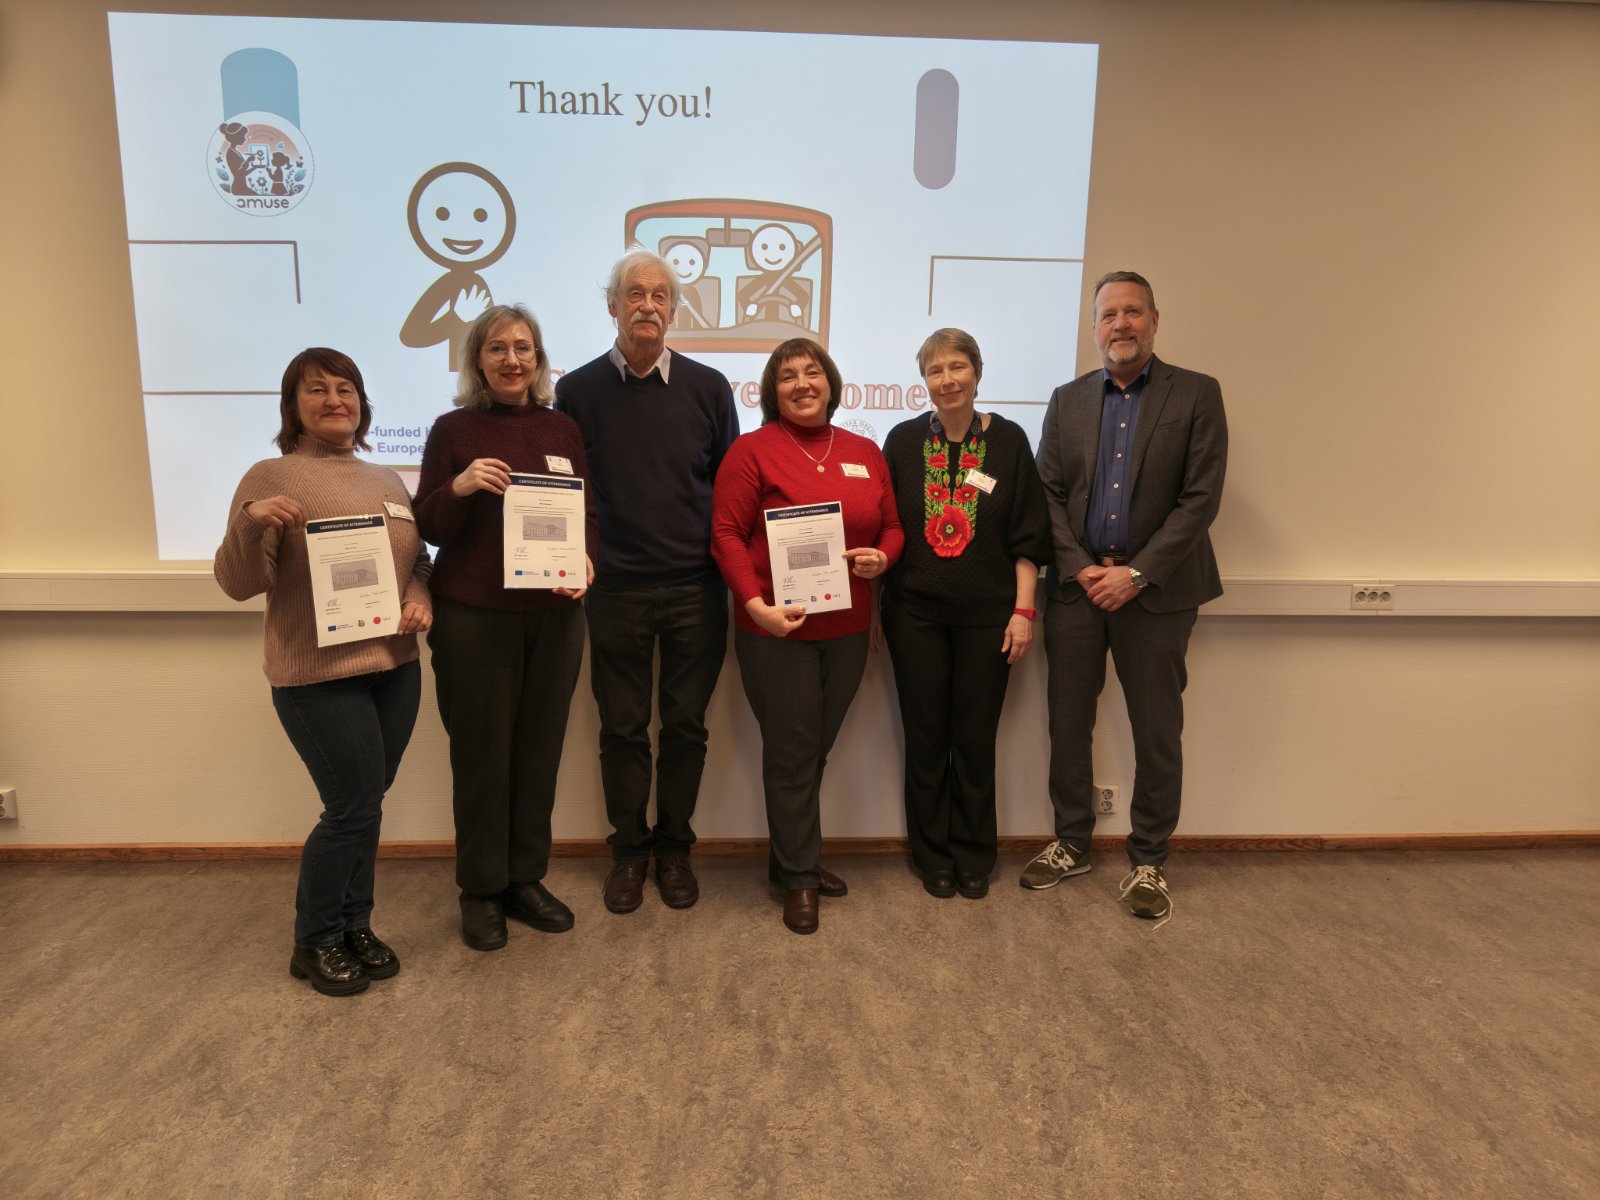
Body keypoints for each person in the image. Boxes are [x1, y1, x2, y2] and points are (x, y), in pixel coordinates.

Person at [214, 348, 432, 996]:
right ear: (293, 406)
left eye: (346, 389)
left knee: (365, 805)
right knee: (350, 807)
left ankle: (353, 926)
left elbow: (417, 561)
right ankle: (313, 940)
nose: (335, 400)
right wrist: (250, 525)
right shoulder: (270, 476)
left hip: (394, 667)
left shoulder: (386, 478)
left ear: (362, 403)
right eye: (317, 389)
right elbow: (237, 583)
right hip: (317, 677)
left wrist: (420, 596)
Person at [1026, 271, 1228, 924]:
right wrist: (1081, 568)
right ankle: (1071, 841)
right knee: (1067, 723)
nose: (1121, 323)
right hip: (1078, 591)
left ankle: (1149, 858)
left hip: (1158, 594)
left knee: (1157, 729)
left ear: (1154, 320)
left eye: (1133, 311)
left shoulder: (1196, 393)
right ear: (1093, 328)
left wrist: (1136, 574)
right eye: (1109, 314)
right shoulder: (1067, 400)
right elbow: (1046, 493)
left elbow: (1201, 498)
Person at [555, 250, 740, 914]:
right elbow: (567, 493)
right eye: (635, 294)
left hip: (696, 590)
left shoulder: (709, 387)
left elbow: (730, 490)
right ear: (612, 306)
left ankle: (675, 850)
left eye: (661, 296)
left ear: (674, 310)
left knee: (686, 728)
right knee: (624, 729)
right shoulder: (576, 392)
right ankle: (629, 853)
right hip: (615, 591)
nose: (648, 306)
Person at [413, 304, 596, 952]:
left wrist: (586, 559)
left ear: (538, 359)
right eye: (497, 348)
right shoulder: (453, 429)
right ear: (478, 360)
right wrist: (459, 487)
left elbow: (584, 513)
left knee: (538, 755)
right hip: (475, 617)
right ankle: (481, 890)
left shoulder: (562, 429)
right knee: (482, 758)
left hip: (553, 616)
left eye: (523, 347)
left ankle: (524, 879)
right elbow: (428, 526)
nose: (512, 359)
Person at [711, 339, 903, 933]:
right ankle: (798, 875)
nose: (802, 384)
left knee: (813, 749)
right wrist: (756, 607)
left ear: (830, 382)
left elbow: (892, 528)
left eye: (812, 372)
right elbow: (726, 534)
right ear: (773, 390)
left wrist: (881, 559)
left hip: (847, 630)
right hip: (777, 631)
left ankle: (789, 855)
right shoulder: (751, 451)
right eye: (788, 375)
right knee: (792, 752)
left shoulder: (864, 451)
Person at [881, 329, 1051, 900]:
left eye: (957, 367)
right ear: (924, 381)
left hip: (988, 618)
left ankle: (975, 853)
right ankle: (932, 855)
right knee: (926, 738)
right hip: (914, 616)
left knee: (974, 740)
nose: (947, 379)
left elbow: (1028, 536)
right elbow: (888, 529)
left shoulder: (1009, 441)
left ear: (977, 373)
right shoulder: (903, 442)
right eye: (935, 370)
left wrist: (1023, 611)